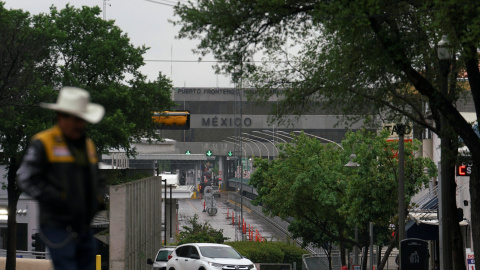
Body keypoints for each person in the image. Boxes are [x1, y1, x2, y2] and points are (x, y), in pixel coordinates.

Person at [17, 86, 106, 270]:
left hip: (82, 225)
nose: (80, 125)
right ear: (61, 116)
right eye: (76, 120)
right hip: (56, 225)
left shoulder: (88, 145)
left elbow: (98, 178)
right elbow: (25, 178)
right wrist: (58, 198)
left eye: (82, 120)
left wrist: (97, 199)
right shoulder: (43, 143)